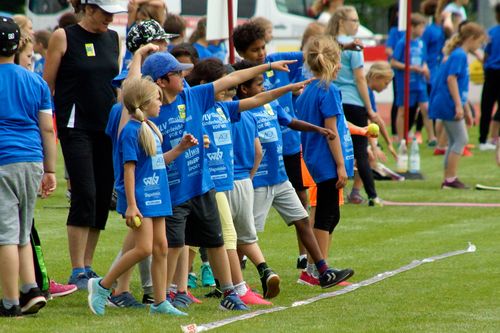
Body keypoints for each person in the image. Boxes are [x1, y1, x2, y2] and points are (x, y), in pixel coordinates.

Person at [135, 50, 298, 310]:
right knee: (173, 246)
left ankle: (229, 294)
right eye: (177, 73)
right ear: (161, 81)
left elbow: (231, 80)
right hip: (172, 192)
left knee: (216, 241)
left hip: (202, 185)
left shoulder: (193, 96)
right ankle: (165, 297)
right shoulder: (149, 111)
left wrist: (266, 66)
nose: (183, 74)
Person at [188, 58, 309, 302]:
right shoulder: (195, 104)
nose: (229, 88)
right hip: (209, 184)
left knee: (226, 237)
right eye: (223, 83)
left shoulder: (223, 108)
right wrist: (269, 66)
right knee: (222, 238)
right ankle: (233, 290)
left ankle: (222, 289)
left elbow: (255, 100)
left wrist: (286, 88)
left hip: (229, 182)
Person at [232, 59, 354, 288]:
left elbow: (291, 122)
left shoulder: (270, 105)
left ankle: (322, 271)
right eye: (259, 84)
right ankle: (234, 284)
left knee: (303, 220)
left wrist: (317, 128)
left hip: (280, 178)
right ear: (244, 89)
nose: (265, 87)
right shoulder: (240, 109)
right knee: (246, 235)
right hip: (258, 182)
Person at [87, 77, 195, 316]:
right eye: (157, 98)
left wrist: (180, 149)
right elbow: (129, 169)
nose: (161, 102)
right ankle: (103, 286)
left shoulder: (150, 128)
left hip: (159, 194)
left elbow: (157, 163)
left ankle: (159, 303)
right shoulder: (130, 132)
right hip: (141, 198)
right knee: (144, 248)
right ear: (144, 102)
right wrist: (132, 205)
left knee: (161, 248)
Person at [43, 0, 126, 290]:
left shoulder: (114, 38)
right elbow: (47, 85)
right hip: (74, 126)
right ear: (89, 8)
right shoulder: (64, 36)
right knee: (85, 193)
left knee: (103, 195)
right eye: (105, 13)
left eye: (113, 14)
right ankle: (76, 267)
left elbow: (114, 85)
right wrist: (44, 126)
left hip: (106, 127)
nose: (110, 19)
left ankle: (88, 267)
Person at [0, 16, 56, 316]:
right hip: (32, 159)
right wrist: (50, 170)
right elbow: (48, 129)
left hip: (2, 160)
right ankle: (30, 289)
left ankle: (9, 303)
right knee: (22, 230)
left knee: (4, 235)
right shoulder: (36, 81)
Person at [296, 34, 354, 286]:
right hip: (326, 160)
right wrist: (341, 165)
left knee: (331, 214)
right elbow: (331, 132)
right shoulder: (329, 90)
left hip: (315, 158)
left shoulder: (308, 89)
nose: (340, 65)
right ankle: (318, 270)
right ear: (332, 62)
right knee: (327, 214)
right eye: (338, 59)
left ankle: (315, 267)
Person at [327, 6, 393, 207]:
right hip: (353, 102)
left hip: (335, 101)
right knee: (361, 153)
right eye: (354, 21)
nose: (357, 25)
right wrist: (369, 108)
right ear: (341, 22)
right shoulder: (353, 46)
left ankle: (335, 193)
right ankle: (372, 196)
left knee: (333, 147)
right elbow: (360, 79)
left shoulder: (330, 45)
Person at [429, 22, 486, 189]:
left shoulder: (458, 54)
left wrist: (465, 108)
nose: (479, 46)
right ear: (471, 39)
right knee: (461, 139)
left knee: (454, 140)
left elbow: (459, 85)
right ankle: (450, 179)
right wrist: (458, 106)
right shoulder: (459, 55)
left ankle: (448, 178)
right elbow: (451, 79)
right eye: (479, 42)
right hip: (447, 103)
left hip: (449, 102)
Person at [348, 62, 396, 204]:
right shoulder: (365, 93)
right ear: (376, 77)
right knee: (364, 157)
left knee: (364, 156)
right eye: (386, 83)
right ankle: (370, 196)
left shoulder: (361, 91)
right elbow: (375, 121)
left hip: (356, 127)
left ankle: (355, 193)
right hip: (355, 125)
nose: (386, 87)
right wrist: (381, 145)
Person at [391, 13, 436, 146]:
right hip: (405, 83)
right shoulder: (403, 43)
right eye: (421, 27)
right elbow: (393, 62)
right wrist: (410, 68)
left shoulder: (421, 43)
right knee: (402, 111)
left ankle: (432, 138)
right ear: (412, 27)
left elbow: (424, 60)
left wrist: (426, 69)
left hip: (420, 82)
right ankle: (400, 139)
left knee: (426, 109)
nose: (423, 30)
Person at [479, 3, 500, 151]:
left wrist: (485, 68)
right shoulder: (491, 32)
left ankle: (483, 139)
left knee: (486, 106)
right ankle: (494, 137)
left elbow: (485, 55)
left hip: (491, 72)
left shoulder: (491, 32)